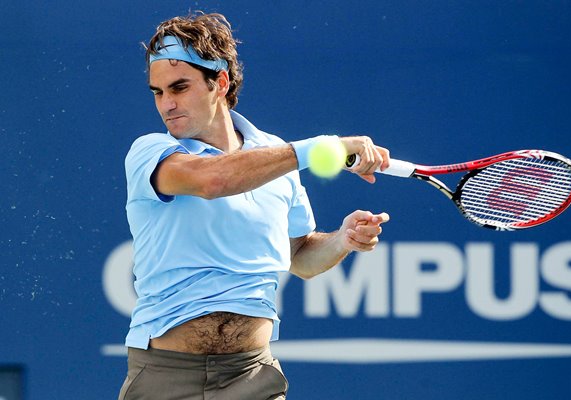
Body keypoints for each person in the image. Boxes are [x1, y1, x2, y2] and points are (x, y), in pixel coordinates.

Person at [119, 12, 390, 400]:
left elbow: (299, 256)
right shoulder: (151, 151)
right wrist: (317, 148)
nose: (167, 104)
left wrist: (342, 239)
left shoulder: (276, 158)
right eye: (157, 92)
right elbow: (213, 180)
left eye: (179, 87)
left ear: (221, 83)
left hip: (253, 377)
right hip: (166, 376)